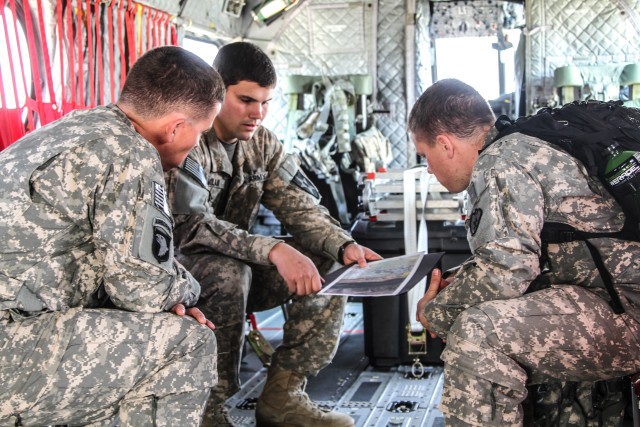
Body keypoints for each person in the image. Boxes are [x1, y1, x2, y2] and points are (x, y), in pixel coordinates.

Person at [0, 46, 225, 426]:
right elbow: (143, 289)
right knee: (187, 343)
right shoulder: (131, 153)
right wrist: (187, 290)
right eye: (200, 133)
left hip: (18, 328)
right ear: (175, 127)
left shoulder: (74, 128)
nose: (196, 146)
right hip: (11, 349)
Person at [164, 41, 381, 427]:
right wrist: (274, 249)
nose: (258, 113)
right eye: (247, 100)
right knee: (229, 272)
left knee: (325, 259)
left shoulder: (263, 144)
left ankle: (283, 395)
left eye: (265, 102)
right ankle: (208, 409)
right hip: (183, 280)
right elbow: (191, 228)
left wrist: (344, 244)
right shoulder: (189, 139)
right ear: (216, 91)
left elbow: (300, 207)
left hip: (244, 270)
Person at [408, 78, 640, 426]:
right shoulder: (528, 144)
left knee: (478, 333)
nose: (428, 168)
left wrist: (436, 311)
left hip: (628, 315)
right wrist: (462, 284)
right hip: (618, 302)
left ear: (445, 144)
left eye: (425, 156)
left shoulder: (499, 162)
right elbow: (531, 253)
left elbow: (506, 271)